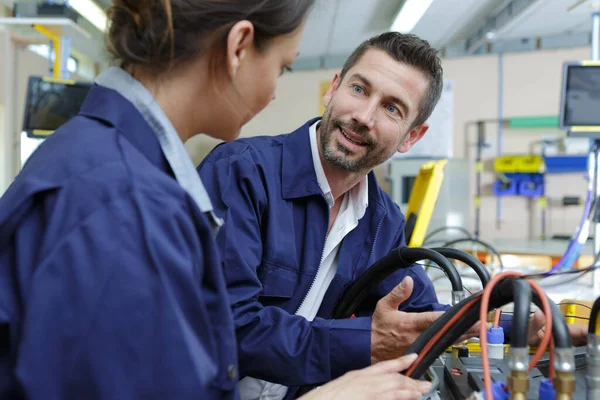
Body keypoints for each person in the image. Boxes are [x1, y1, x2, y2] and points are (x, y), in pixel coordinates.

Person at [0, 2, 433, 399]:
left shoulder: (114, 167)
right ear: (238, 47)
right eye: (282, 68)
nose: (274, 92)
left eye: (392, 109)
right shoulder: (127, 200)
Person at [197, 31, 589, 400]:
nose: (364, 116)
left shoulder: (381, 219)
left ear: (412, 137)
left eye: (391, 108)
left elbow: (421, 313)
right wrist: (366, 341)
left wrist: (517, 324)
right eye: (359, 89)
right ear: (333, 88)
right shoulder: (241, 173)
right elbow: (227, 328)